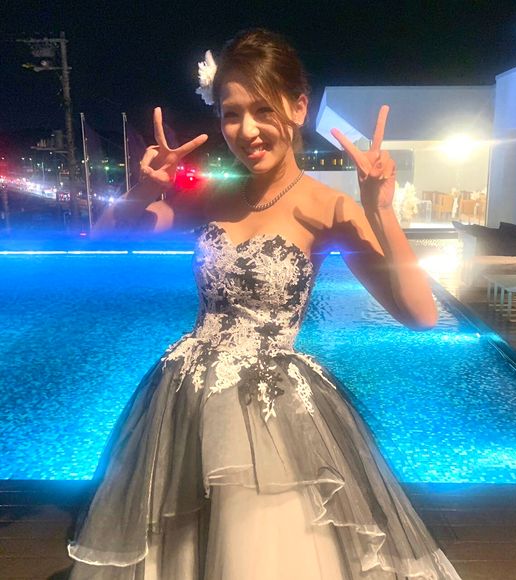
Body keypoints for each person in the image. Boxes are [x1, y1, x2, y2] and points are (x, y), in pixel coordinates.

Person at [67, 28, 462, 580]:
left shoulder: (330, 209)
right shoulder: (210, 196)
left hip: (270, 413)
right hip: (184, 403)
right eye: (231, 114)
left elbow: (420, 315)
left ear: (298, 108)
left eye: (262, 110)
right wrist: (143, 188)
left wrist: (381, 211)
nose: (246, 131)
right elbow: (105, 241)